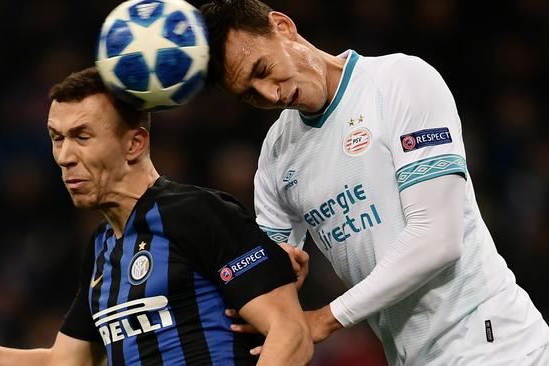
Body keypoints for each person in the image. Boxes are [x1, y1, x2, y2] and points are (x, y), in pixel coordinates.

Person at [199, 0, 549, 364]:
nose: (271, 94)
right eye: (250, 93)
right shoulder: (276, 153)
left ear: (283, 26)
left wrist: (327, 318)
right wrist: (276, 269)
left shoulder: (400, 80)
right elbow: (269, 274)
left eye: (264, 69)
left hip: (497, 344)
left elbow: (438, 240)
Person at [0, 67, 313, 366]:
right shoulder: (100, 251)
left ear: (135, 143)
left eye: (82, 136)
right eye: (56, 139)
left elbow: (290, 333)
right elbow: (61, 364)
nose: (64, 157)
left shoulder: (198, 213)